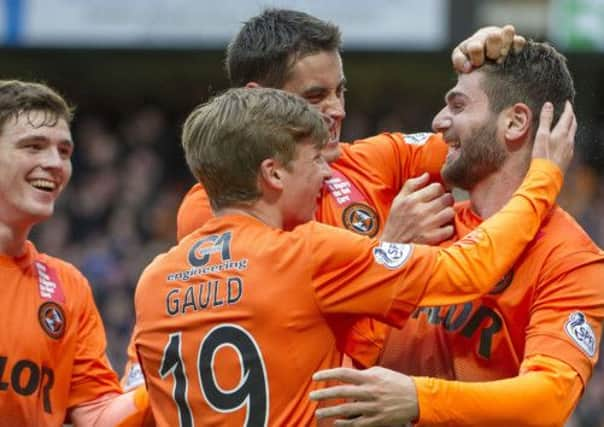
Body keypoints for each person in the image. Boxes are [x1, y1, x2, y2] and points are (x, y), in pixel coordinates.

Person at [121, 9, 526, 391]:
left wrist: (494, 72)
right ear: (258, 98)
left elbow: (495, 142)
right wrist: (390, 250)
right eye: (315, 97)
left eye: (340, 91)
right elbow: (290, 342)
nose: (335, 110)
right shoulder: (215, 207)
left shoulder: (371, 159)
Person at [133, 86, 574, 426]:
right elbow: (468, 268)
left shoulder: (153, 281)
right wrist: (544, 177)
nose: (328, 171)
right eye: (314, 161)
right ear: (272, 173)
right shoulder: (307, 251)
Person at [309, 41, 604, 427]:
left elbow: (549, 398)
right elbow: (338, 356)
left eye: (458, 106)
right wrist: (385, 252)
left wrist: (419, 400)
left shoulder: (571, 258)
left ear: (515, 122)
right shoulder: (420, 219)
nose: (438, 121)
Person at [0, 79, 150, 426]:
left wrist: (165, 377)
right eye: (34, 146)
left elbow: (98, 415)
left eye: (64, 152)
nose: (55, 163)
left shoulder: (67, 286)